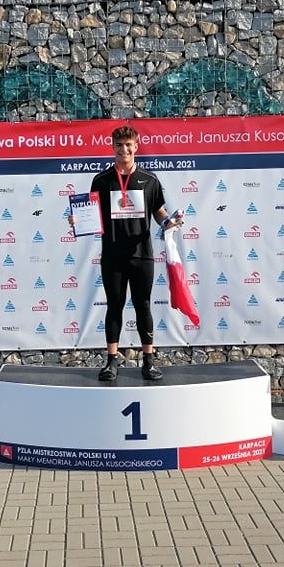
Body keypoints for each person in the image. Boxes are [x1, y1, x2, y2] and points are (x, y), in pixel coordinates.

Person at [70, 125, 181, 382]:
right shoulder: (101, 180)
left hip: (142, 255)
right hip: (113, 256)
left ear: (136, 146)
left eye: (128, 145)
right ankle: (111, 361)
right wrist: (78, 220)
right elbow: (91, 213)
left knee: (144, 306)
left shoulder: (150, 180)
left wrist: (168, 223)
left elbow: (158, 211)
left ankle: (149, 362)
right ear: (113, 147)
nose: (124, 149)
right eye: (119, 145)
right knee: (114, 306)